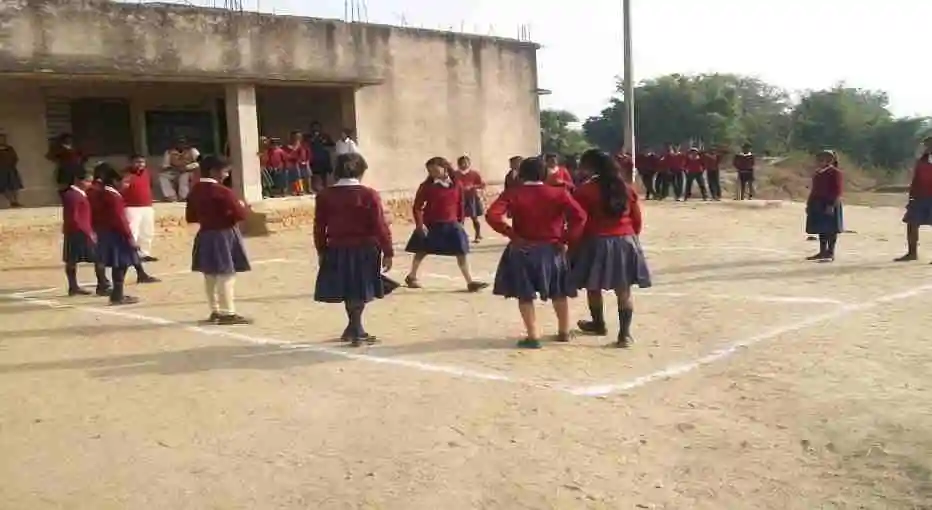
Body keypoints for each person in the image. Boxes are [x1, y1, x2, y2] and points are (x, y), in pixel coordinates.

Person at [486, 156, 587, 348]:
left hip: (523, 247)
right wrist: (566, 239)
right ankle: (564, 331)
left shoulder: (513, 193)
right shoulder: (559, 193)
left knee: (525, 293)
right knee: (558, 291)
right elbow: (580, 217)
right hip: (553, 248)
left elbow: (492, 215)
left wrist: (511, 234)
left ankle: (533, 336)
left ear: (522, 173)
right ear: (545, 172)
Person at [313, 152, 398, 346]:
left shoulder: (325, 195)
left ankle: (353, 327)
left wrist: (321, 249)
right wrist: (388, 251)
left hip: (336, 247)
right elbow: (379, 225)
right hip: (365, 248)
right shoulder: (368, 194)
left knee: (350, 288)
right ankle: (357, 330)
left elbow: (319, 226)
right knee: (359, 288)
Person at [571, 150, 651, 347]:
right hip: (625, 239)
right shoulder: (625, 188)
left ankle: (598, 324)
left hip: (596, 240)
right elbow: (636, 218)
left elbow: (578, 220)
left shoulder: (585, 190)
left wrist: (572, 243)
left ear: (591, 167)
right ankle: (624, 335)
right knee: (623, 290)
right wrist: (631, 237)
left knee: (593, 286)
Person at [404, 156, 488, 292]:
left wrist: (460, 222)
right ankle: (412, 276)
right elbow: (417, 207)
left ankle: (470, 282)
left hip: (452, 223)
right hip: (431, 224)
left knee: (461, 252)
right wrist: (420, 224)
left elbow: (460, 204)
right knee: (421, 251)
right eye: (429, 171)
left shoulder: (457, 185)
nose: (432, 173)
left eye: (435, 170)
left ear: (445, 168)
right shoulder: (426, 186)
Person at [186, 156, 252, 325]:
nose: (226, 174)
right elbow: (241, 215)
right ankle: (227, 312)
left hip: (205, 233)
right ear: (215, 171)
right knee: (226, 273)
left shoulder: (195, 190)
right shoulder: (222, 191)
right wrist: (242, 206)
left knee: (210, 274)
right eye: (225, 171)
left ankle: (215, 310)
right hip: (223, 233)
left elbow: (190, 217)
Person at [90, 163, 141, 305]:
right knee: (121, 264)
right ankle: (117, 295)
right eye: (124, 181)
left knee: (116, 264)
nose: (126, 185)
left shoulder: (100, 193)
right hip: (116, 234)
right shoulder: (113, 196)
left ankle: (116, 294)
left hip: (104, 232)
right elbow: (120, 219)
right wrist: (130, 237)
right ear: (114, 181)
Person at [61, 169, 110, 297]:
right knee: (98, 258)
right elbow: (75, 217)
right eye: (87, 181)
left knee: (72, 260)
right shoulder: (74, 196)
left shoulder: (74, 194)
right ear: (78, 181)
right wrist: (88, 232)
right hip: (80, 232)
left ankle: (73, 287)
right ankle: (102, 286)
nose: (89, 184)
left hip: (73, 231)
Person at [895, 136, 932, 262]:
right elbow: (915, 180)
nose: (927, 147)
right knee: (911, 224)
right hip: (919, 197)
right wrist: (911, 196)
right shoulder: (921, 161)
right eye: (926, 145)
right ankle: (912, 253)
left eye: (929, 144)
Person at [804, 150, 844, 262]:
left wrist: (831, 205)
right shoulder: (818, 173)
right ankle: (822, 251)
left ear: (831, 160)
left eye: (825, 158)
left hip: (830, 202)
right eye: (820, 158)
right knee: (821, 228)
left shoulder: (835, 173)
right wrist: (809, 204)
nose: (821, 161)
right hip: (818, 202)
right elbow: (814, 190)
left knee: (831, 229)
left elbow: (837, 191)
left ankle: (830, 252)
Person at [122, 154, 159, 263]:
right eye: (137, 162)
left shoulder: (147, 173)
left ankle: (144, 253)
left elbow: (150, 186)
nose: (140, 164)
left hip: (147, 206)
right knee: (133, 231)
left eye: (142, 162)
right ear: (131, 163)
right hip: (131, 207)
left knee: (147, 231)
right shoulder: (125, 174)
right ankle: (131, 254)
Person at [455, 155, 486, 243]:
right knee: (460, 218)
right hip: (460, 198)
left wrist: (472, 186)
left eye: (466, 163)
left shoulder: (474, 173)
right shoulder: (455, 174)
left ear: (469, 164)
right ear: (458, 164)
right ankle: (460, 236)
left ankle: (478, 234)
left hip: (472, 198)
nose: (464, 165)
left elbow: (482, 185)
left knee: (474, 217)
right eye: (462, 163)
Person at [47, 133, 86, 200]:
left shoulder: (75, 147)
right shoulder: (59, 148)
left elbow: (83, 156)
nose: (69, 141)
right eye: (67, 139)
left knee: (77, 185)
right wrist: (59, 161)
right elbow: (50, 156)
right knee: (65, 186)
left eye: (70, 139)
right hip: (65, 169)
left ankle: (77, 197)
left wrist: (80, 161)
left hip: (76, 168)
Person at [160, 137, 200, 201]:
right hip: (175, 170)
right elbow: (165, 165)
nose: (181, 144)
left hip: (189, 171)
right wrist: (173, 168)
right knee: (163, 176)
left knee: (183, 177)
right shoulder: (169, 152)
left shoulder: (193, 150)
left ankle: (184, 196)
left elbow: (199, 162)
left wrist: (187, 167)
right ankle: (171, 196)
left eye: (183, 142)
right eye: (179, 142)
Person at [307, 122, 335, 192]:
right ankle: (313, 188)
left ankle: (324, 188)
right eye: (314, 127)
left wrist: (325, 143)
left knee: (324, 174)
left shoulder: (325, 136)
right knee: (313, 174)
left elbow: (332, 145)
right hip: (313, 158)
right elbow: (304, 145)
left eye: (317, 127)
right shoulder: (308, 137)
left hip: (323, 158)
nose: (315, 129)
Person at [284, 130, 311, 196]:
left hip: (304, 164)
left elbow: (308, 155)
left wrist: (306, 162)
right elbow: (287, 156)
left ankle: (308, 189)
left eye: (299, 137)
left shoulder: (304, 146)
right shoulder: (287, 147)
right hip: (293, 165)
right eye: (295, 137)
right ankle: (297, 190)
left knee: (308, 174)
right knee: (296, 175)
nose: (297, 139)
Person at [0, 133, 22, 208]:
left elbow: (15, 157)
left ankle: (15, 201)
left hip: (11, 169)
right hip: (1, 170)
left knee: (14, 185)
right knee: (3, 186)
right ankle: (11, 201)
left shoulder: (9, 148)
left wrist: (12, 164)